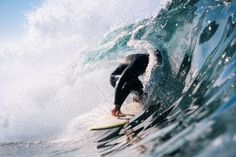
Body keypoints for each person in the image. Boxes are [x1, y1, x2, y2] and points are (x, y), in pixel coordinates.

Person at [110, 52, 161, 117]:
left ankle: (137, 99)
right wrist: (117, 104)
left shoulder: (148, 63)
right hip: (115, 78)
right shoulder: (137, 61)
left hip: (129, 79)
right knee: (131, 82)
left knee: (139, 87)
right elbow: (120, 82)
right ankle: (117, 109)